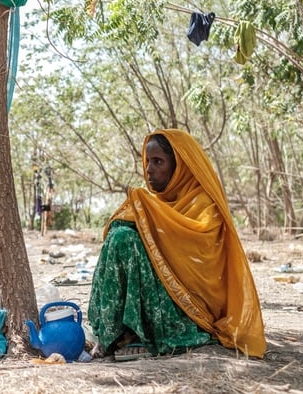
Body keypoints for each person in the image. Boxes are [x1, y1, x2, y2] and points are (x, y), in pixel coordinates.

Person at [87, 129, 266, 361]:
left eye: (158, 162)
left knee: (124, 239)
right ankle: (114, 332)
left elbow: (197, 265)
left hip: (189, 308)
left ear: (179, 166)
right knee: (120, 233)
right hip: (164, 294)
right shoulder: (159, 205)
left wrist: (146, 214)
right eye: (147, 161)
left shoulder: (205, 206)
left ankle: (139, 335)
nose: (149, 169)